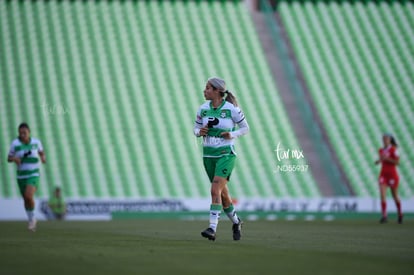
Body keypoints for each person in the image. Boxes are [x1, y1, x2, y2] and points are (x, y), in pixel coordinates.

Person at [194, 77, 249, 241]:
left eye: (208, 88)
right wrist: (199, 132)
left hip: (226, 154)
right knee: (223, 196)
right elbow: (195, 128)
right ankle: (237, 222)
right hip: (208, 156)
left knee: (214, 189)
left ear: (218, 91)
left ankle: (212, 228)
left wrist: (231, 134)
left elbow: (245, 128)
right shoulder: (203, 109)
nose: (205, 91)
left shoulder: (231, 109)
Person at [7, 123, 46, 231]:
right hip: (21, 176)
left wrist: (43, 158)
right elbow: (9, 158)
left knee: (29, 196)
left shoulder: (36, 142)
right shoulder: (15, 144)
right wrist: (15, 159)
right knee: (26, 199)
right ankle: (31, 219)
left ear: (29, 132)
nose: (23, 135)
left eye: (25, 133)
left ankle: (32, 218)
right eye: (20, 133)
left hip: (33, 173)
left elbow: (41, 152)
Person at [374, 133, 402, 224]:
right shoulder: (381, 150)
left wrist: (387, 159)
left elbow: (397, 162)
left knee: (395, 196)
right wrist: (378, 161)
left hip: (392, 175)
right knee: (382, 195)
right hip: (383, 174)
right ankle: (384, 215)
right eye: (383, 139)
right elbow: (382, 159)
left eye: (386, 138)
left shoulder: (394, 150)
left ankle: (400, 213)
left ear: (390, 140)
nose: (384, 140)